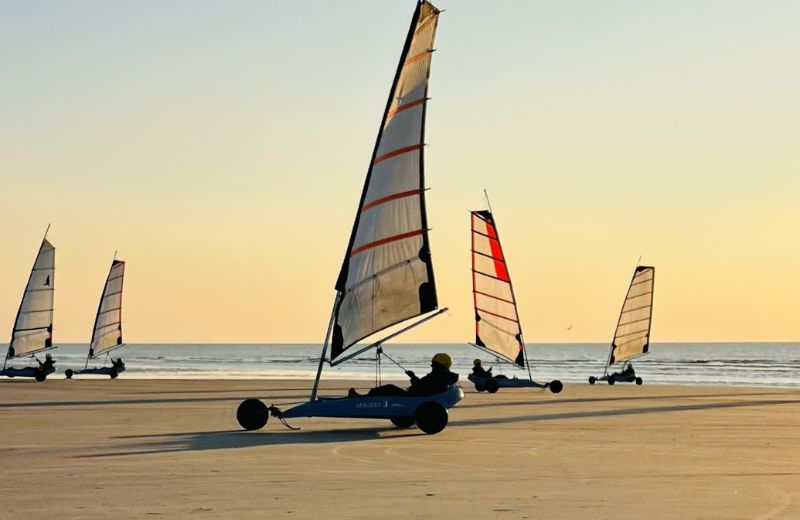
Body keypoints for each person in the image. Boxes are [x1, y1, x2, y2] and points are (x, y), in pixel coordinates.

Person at [348, 353, 459, 398]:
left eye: (434, 364)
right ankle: (363, 397)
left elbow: (422, 386)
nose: (432, 366)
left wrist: (413, 377)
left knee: (388, 388)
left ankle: (361, 399)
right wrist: (413, 377)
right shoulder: (443, 376)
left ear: (441, 365)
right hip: (417, 394)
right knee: (389, 388)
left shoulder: (439, 375)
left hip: (413, 397)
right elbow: (425, 385)